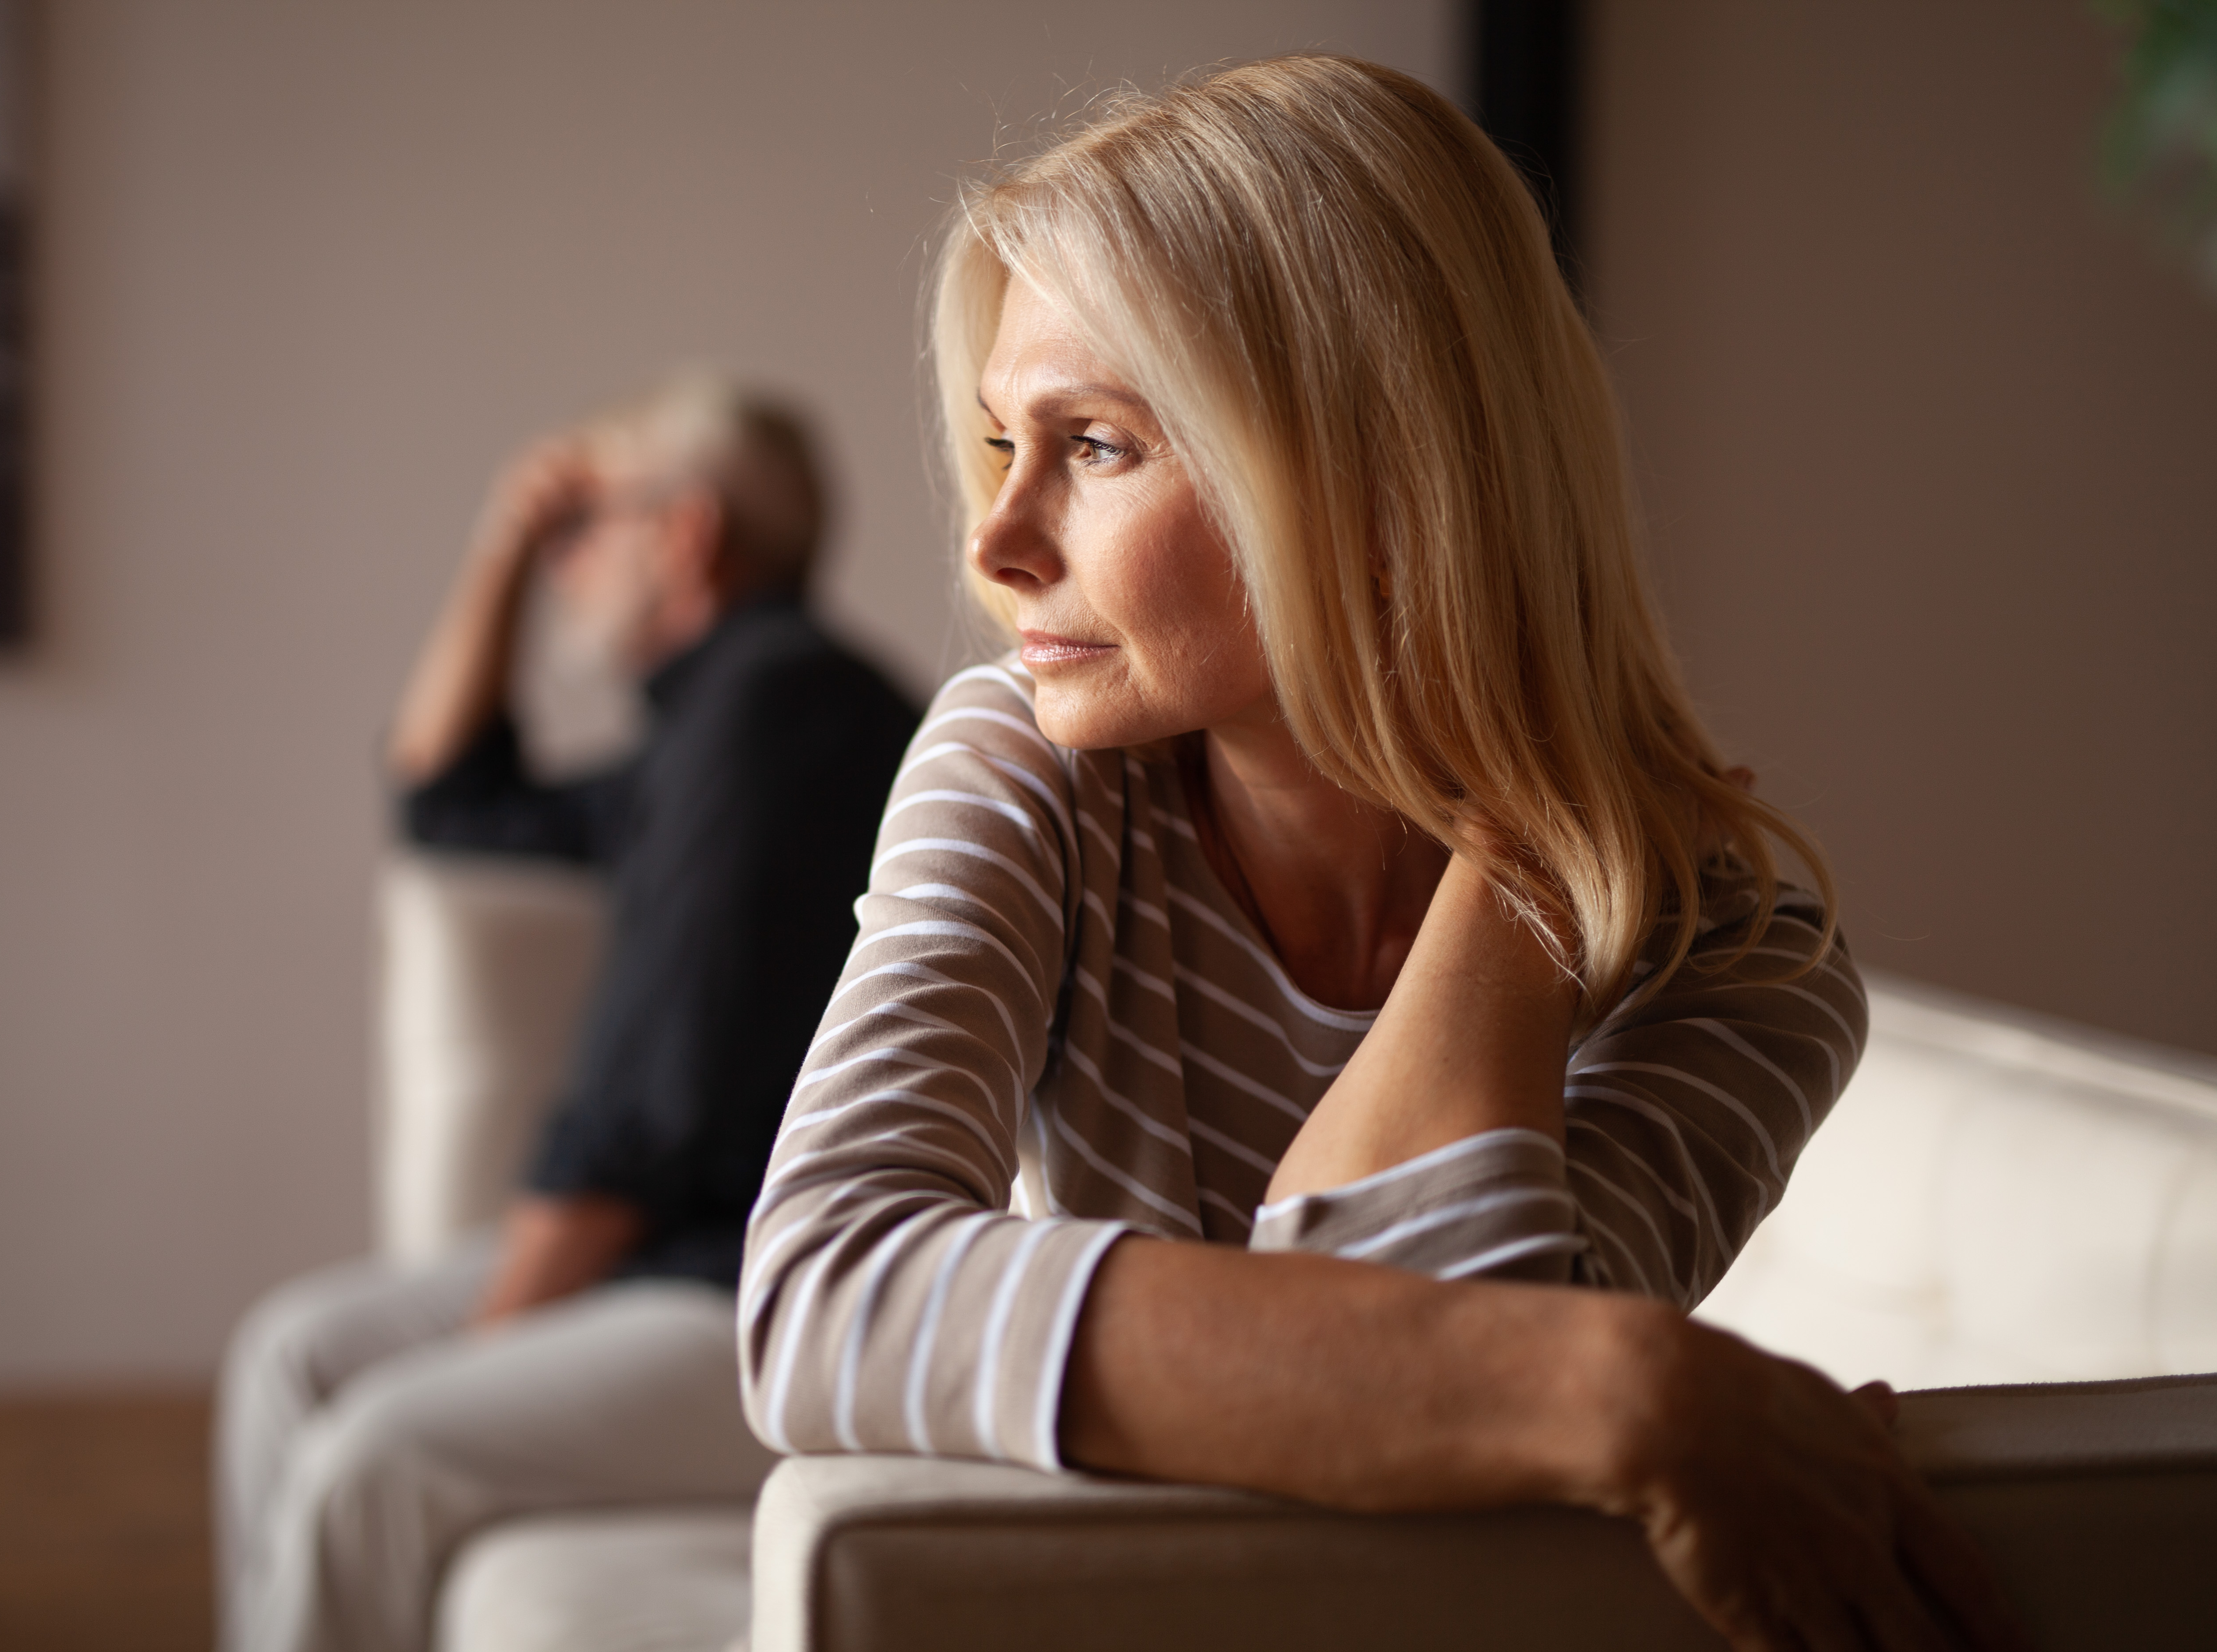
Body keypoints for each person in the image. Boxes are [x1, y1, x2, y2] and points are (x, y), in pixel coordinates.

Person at [739, 57, 2027, 1652]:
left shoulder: (1740, 949)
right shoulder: (1036, 775)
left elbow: (1459, 1362)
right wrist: (1628, 1385)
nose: (995, 544)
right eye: (1004, 440)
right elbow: (824, 1299)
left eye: (1102, 446)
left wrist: (1535, 860)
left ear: (1377, 473)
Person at [217, 375, 918, 1652]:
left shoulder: (786, 714)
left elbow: (653, 1107)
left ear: (688, 533)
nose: (568, 568)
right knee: (290, 1359)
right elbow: (447, 798)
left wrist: (487, 1349)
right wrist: (505, 540)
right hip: (682, 1266)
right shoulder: (710, 724)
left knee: (373, 1459)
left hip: (771, 1291)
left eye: (583, 531)